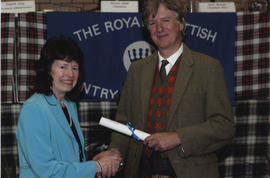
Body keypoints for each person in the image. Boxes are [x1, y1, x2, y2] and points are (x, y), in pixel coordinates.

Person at [94, 0, 235, 178]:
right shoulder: (137, 70)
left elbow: (224, 127)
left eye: (166, 20)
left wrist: (178, 137)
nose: (159, 28)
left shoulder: (208, 68)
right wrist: (115, 153)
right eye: (153, 23)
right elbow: (124, 123)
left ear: (181, 24)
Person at [16, 36, 122, 178]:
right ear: (48, 69)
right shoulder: (34, 109)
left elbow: (70, 161)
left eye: (75, 67)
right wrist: (95, 166)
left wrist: (96, 161)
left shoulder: (69, 105)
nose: (70, 74)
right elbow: (47, 171)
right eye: (63, 66)